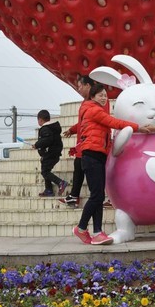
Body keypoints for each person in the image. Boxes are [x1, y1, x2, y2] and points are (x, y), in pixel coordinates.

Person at [72, 81, 154, 245]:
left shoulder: (92, 109)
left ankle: (97, 232)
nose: (103, 98)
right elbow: (114, 122)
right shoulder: (93, 110)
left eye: (105, 95)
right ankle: (81, 228)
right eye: (100, 95)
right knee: (96, 196)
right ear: (92, 96)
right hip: (92, 155)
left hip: (96, 155)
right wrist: (138, 127)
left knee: (98, 195)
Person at [62, 74, 93, 207]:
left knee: (91, 173)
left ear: (88, 85)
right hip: (83, 144)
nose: (79, 89)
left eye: (80, 86)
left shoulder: (97, 101)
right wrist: (72, 130)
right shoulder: (85, 103)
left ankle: (97, 198)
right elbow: (82, 123)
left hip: (90, 144)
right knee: (78, 169)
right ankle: (74, 196)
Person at [35, 109, 67, 197]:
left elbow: (47, 140)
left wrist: (36, 145)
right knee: (45, 170)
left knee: (45, 172)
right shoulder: (52, 128)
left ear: (40, 120)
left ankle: (60, 183)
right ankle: (48, 190)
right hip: (53, 152)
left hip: (50, 153)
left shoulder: (45, 129)